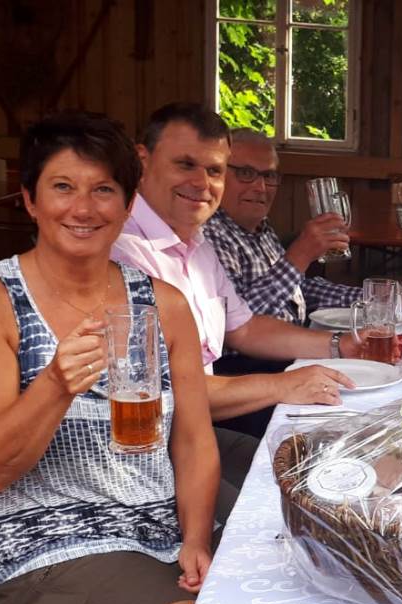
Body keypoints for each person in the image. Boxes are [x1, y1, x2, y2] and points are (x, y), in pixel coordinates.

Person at [0, 112, 219, 604]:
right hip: (46, 551)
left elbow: (192, 438)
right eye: (63, 187)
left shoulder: (162, 304)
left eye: (103, 189)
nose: (83, 209)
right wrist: (56, 385)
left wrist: (196, 536)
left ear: (125, 202)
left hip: (158, 534)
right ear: (29, 199)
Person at [112, 103, 363, 452]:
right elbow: (163, 392)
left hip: (196, 428)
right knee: (319, 452)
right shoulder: (121, 249)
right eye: (185, 164)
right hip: (149, 449)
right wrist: (282, 385)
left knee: (338, 439)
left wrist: (343, 346)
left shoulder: (196, 243)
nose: (201, 183)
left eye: (213, 170)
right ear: (142, 162)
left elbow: (244, 328)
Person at [204, 128, 362, 338]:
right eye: (246, 173)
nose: (261, 187)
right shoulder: (209, 234)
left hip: (291, 346)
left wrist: (373, 299)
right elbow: (236, 327)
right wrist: (299, 255)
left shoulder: (261, 227)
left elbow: (298, 290)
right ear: (218, 174)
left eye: (269, 175)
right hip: (247, 366)